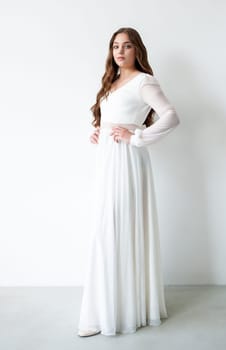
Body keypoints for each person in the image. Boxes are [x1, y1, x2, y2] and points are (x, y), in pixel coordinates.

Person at [77, 27, 180, 337]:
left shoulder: (143, 81)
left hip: (128, 162)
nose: (119, 51)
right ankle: (108, 307)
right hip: (107, 162)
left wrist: (137, 136)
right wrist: (100, 129)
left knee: (120, 226)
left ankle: (121, 311)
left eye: (127, 46)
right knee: (105, 229)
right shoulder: (111, 82)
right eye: (115, 46)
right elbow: (112, 119)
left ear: (138, 50)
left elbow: (171, 116)